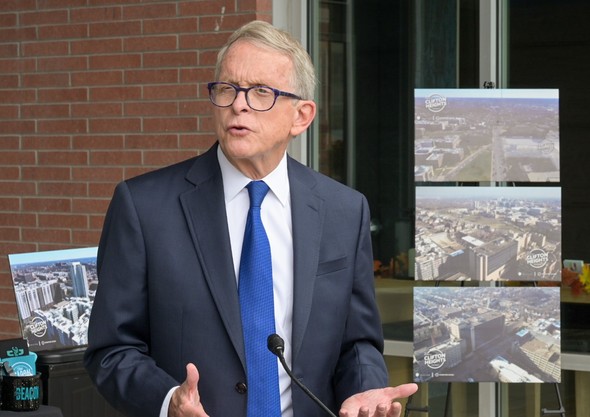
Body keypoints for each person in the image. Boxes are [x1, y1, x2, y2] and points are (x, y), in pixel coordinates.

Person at [84, 20, 418, 417]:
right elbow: (111, 349)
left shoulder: (344, 210)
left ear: (302, 116)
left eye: (261, 92)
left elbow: (357, 343)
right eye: (227, 89)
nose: (238, 104)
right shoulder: (143, 206)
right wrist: (167, 400)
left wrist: (364, 393)